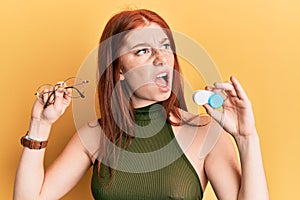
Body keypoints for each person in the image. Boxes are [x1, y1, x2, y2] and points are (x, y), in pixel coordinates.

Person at [14, 9, 269, 200]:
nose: (161, 58)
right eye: (142, 51)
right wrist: (40, 124)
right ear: (119, 70)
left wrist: (247, 137)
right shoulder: (94, 136)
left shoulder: (204, 133)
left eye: (165, 46)